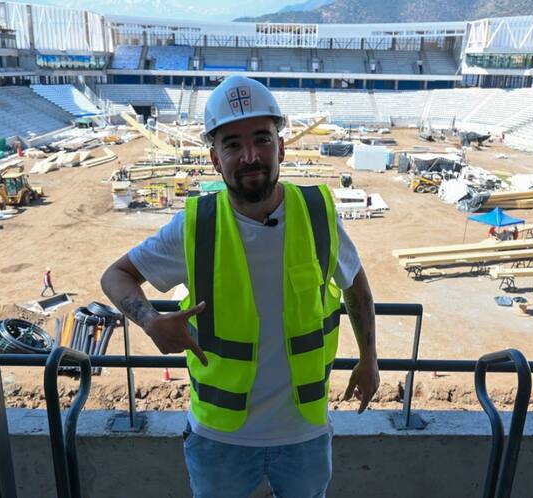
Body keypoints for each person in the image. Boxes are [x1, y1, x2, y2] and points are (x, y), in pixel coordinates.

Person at [101, 75, 378, 498]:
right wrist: (151, 321)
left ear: (281, 147)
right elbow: (115, 276)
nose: (251, 156)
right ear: (214, 158)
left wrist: (369, 358)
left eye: (262, 139)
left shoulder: (319, 215)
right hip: (220, 438)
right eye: (232, 143)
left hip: (303, 432)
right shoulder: (195, 226)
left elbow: (356, 288)